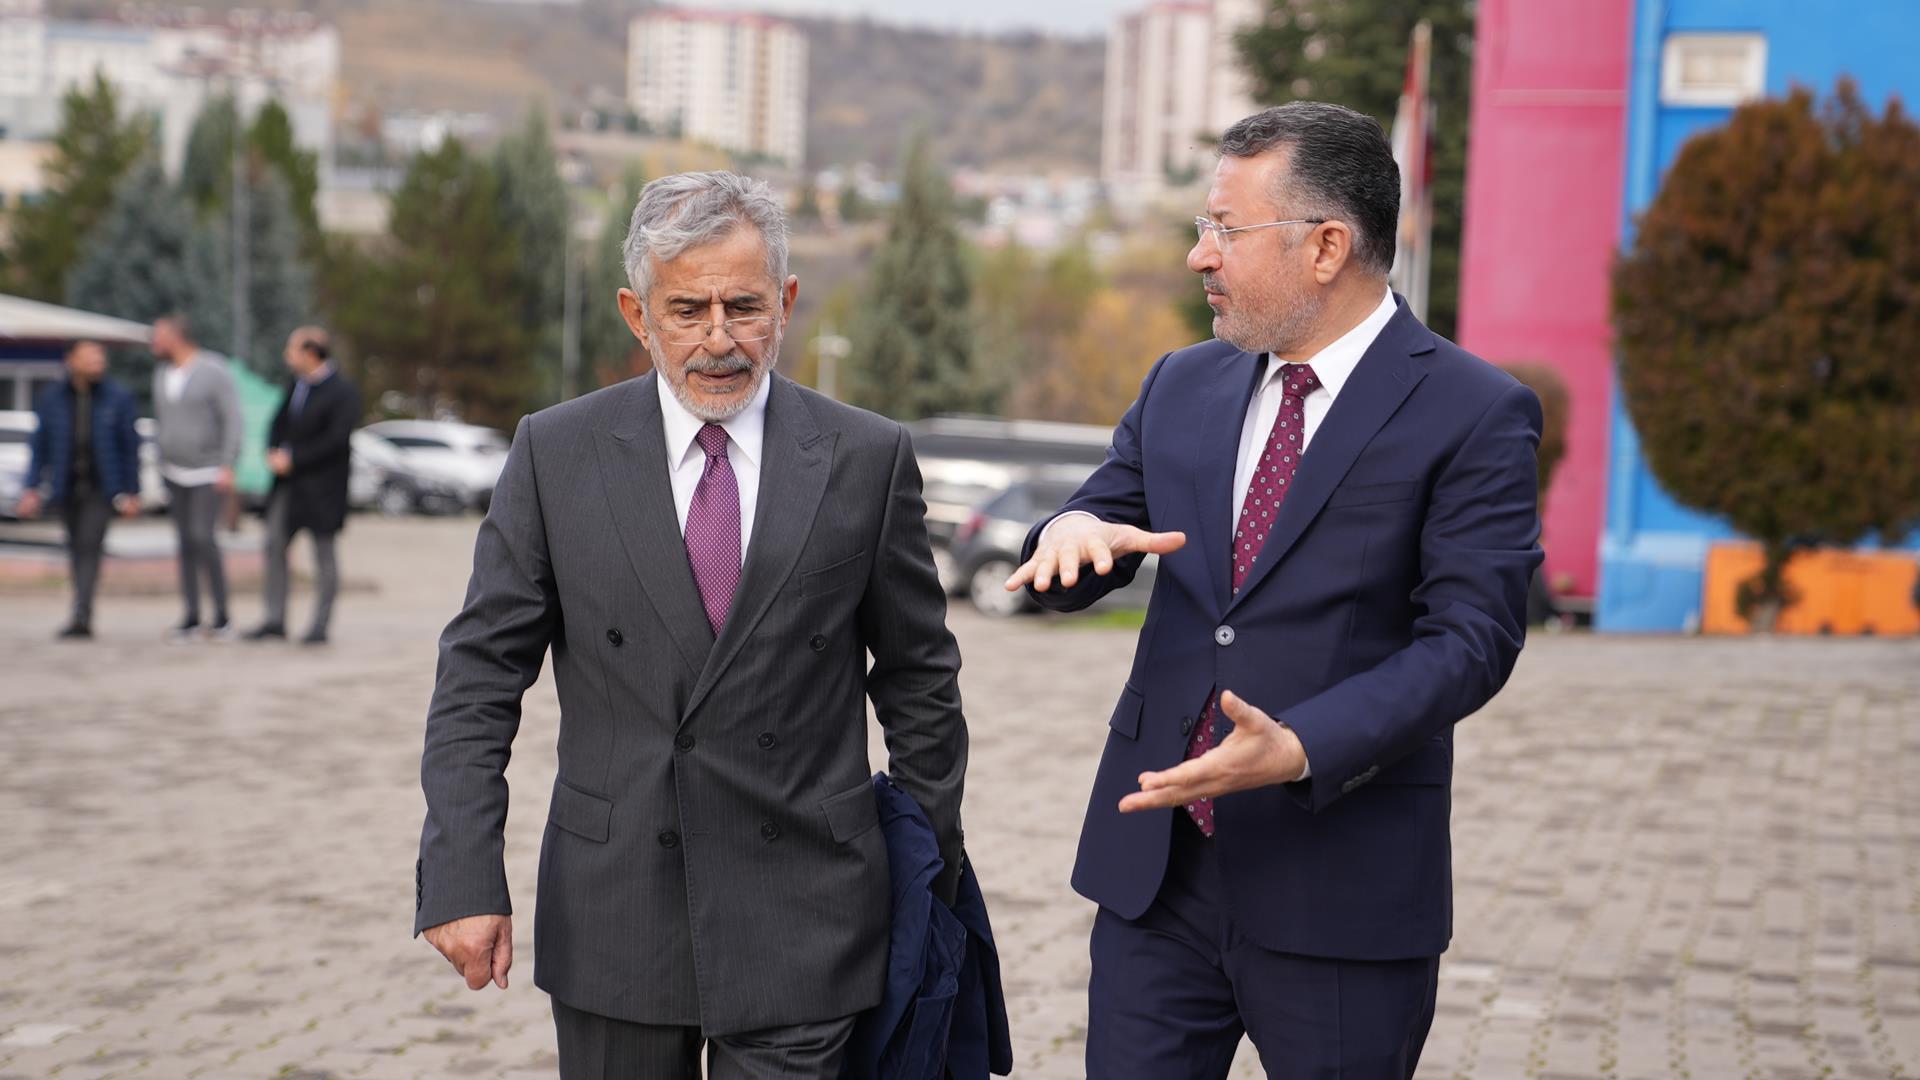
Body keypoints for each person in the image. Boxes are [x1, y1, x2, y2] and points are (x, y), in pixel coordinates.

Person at [1006, 102, 1544, 1079]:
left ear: (1326, 246)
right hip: (1158, 881)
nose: (1199, 256)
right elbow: (1092, 524)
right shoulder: (1181, 383)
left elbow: (1472, 640)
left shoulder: (1474, 411)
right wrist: (1068, 535)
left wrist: (1302, 745)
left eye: (1226, 228)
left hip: (1342, 886)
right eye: (1201, 226)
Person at [414, 170, 968, 1080]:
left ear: (786, 302)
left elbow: (919, 678)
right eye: (687, 310)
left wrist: (924, 863)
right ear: (637, 315)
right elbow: (478, 676)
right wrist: (461, 873)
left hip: (810, 912)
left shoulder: (866, 457)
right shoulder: (556, 453)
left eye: (743, 307)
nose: (719, 339)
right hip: (617, 907)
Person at [18, 339, 142, 639]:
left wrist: (132, 491)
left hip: (101, 487)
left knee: (89, 545)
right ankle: (80, 607)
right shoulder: (53, 397)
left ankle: (81, 612)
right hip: (66, 485)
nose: (96, 364)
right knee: (75, 547)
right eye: (89, 358)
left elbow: (130, 447)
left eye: (99, 358)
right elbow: (40, 445)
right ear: (71, 360)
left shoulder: (117, 397)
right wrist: (31, 487)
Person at [246, 327, 359, 646]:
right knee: (274, 545)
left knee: (324, 557)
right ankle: (275, 620)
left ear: (310, 353)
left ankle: (319, 625)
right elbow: (278, 423)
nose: (287, 356)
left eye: (292, 349)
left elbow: (336, 440)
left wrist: (294, 458)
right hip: (288, 487)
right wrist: (273, 450)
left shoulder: (343, 392)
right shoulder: (295, 386)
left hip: (322, 490)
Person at [151, 313, 243, 641]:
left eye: (158, 336)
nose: (153, 343)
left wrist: (228, 464)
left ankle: (221, 617)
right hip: (174, 471)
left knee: (203, 537)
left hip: (207, 470)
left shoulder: (213, 370)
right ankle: (191, 616)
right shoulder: (162, 374)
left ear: (176, 337)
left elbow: (232, 418)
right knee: (185, 543)